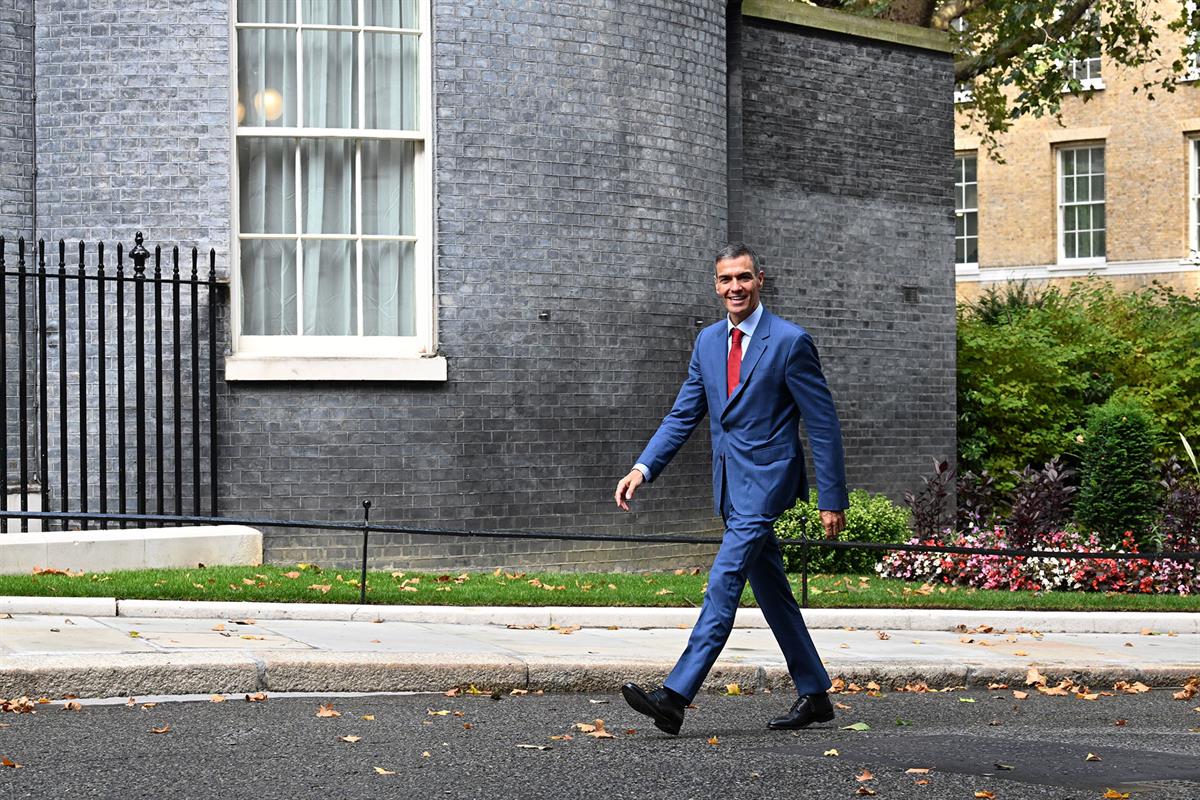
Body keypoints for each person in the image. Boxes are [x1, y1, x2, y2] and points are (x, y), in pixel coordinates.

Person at [614, 243, 848, 735]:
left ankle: (675, 696)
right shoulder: (707, 344)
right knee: (774, 594)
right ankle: (815, 693)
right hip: (729, 483)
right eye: (726, 280)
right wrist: (643, 468)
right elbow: (684, 414)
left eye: (744, 277)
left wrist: (832, 497)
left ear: (760, 279)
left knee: (723, 582)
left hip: (767, 481)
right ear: (716, 285)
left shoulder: (789, 341)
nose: (735, 287)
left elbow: (822, 424)